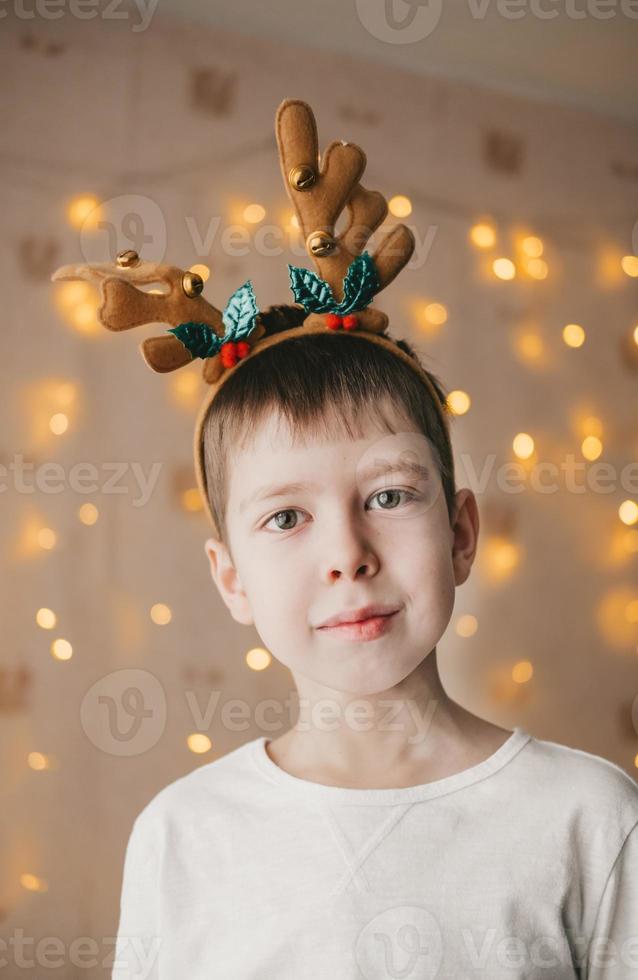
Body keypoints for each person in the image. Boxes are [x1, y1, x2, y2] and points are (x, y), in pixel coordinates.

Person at [52, 99, 638, 979]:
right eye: (286, 517)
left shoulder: (590, 818)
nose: (347, 553)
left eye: (391, 495)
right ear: (231, 578)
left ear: (461, 533)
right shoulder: (183, 834)